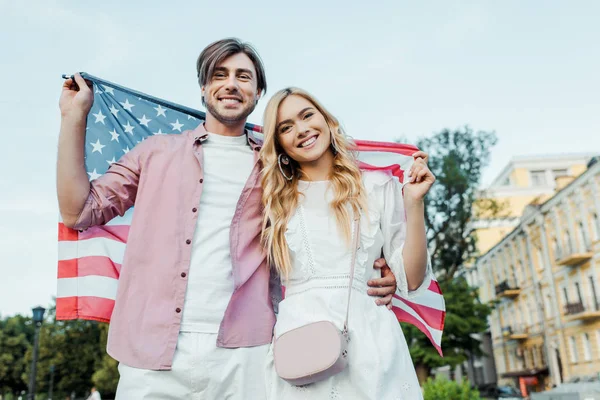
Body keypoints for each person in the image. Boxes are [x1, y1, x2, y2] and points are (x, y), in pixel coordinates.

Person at [56, 38, 397, 399]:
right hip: (152, 351)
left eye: (244, 77)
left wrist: (378, 269)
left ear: (258, 91)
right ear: (204, 88)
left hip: (247, 354)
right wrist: (73, 116)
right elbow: (79, 211)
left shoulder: (278, 170)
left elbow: (330, 215)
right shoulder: (154, 153)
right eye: (220, 75)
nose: (232, 84)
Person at [260, 87, 436, 399]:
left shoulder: (376, 187)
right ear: (279, 145)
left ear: (328, 121)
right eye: (286, 127)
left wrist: (413, 203)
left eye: (307, 115)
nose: (301, 130)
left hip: (370, 335)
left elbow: (411, 278)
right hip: (300, 344)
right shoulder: (273, 203)